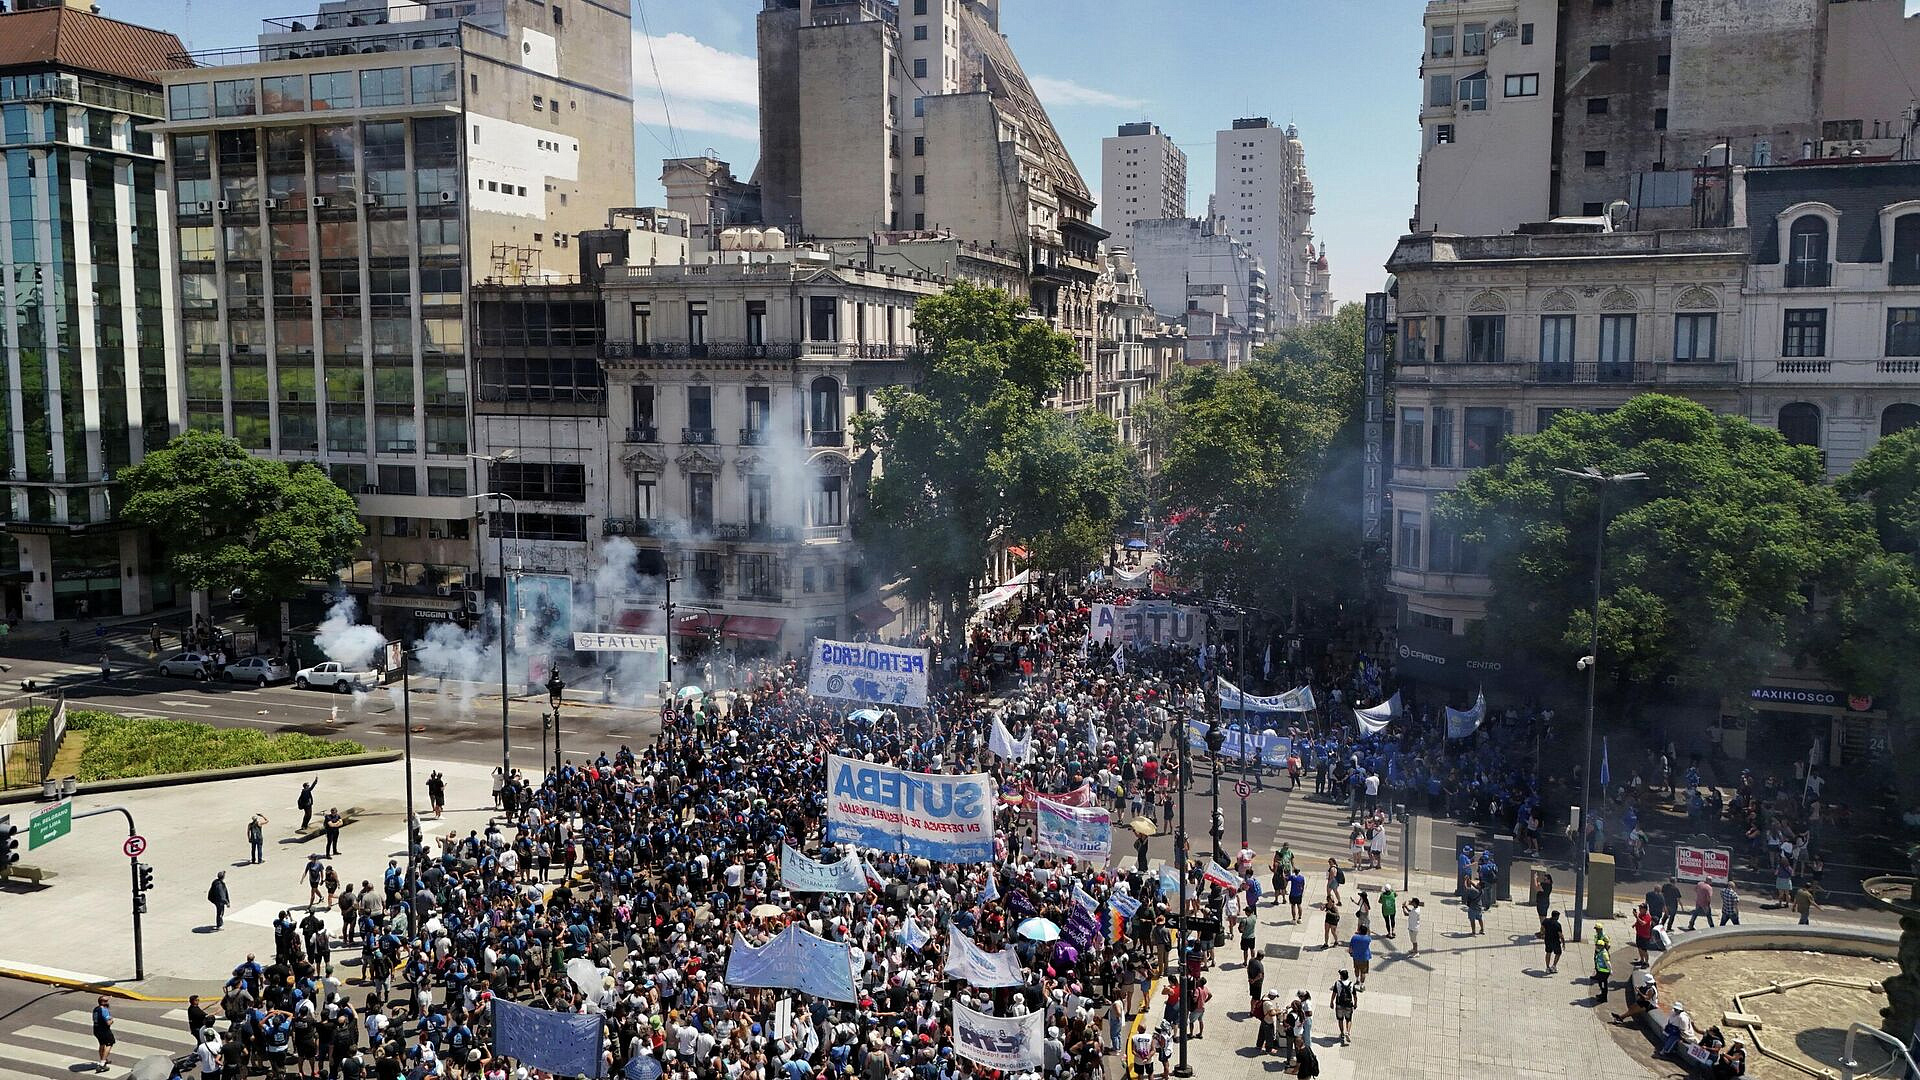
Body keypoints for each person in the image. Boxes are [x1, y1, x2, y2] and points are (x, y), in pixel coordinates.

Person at [1330, 970, 1357, 1046]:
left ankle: (1342, 1033)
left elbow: (1334, 994)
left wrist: (1331, 1002)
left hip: (1339, 1004)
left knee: (1340, 1019)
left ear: (1341, 976)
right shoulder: (1351, 984)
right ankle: (1347, 1032)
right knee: (1349, 1019)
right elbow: (1355, 996)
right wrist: (1355, 1004)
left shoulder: (1337, 983)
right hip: (1349, 1005)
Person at [91, 995, 114, 1071]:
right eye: (106, 1001)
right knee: (109, 1044)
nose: (108, 1003)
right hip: (104, 1030)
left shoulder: (96, 1009)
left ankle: (103, 1059)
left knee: (102, 1044)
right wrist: (112, 1021)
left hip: (96, 1029)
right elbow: (108, 1023)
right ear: (102, 1002)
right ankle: (102, 1064)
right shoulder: (104, 1010)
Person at [1592, 925, 1614, 1002]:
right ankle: (1602, 995)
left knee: (1604, 985)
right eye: (1597, 945)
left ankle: (1604, 998)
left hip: (1604, 972)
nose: (1597, 946)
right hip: (1600, 971)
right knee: (1601, 984)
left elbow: (1608, 963)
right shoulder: (1599, 951)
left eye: (1599, 946)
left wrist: (1610, 970)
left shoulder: (1604, 953)